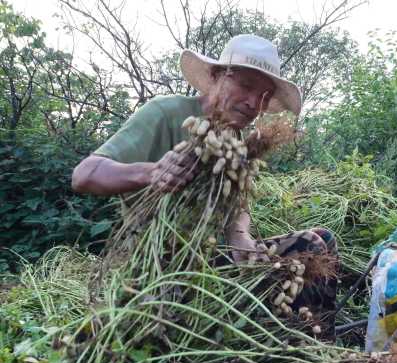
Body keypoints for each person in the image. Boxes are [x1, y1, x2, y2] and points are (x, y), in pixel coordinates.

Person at [71, 34, 337, 338]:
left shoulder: (236, 141)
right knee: (307, 248)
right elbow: (84, 174)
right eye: (246, 86)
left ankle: (308, 342)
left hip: (213, 258)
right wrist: (151, 172)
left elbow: (238, 205)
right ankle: (286, 340)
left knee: (320, 243)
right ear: (215, 76)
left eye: (264, 96)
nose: (254, 104)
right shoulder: (166, 112)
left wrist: (240, 237)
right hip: (160, 266)